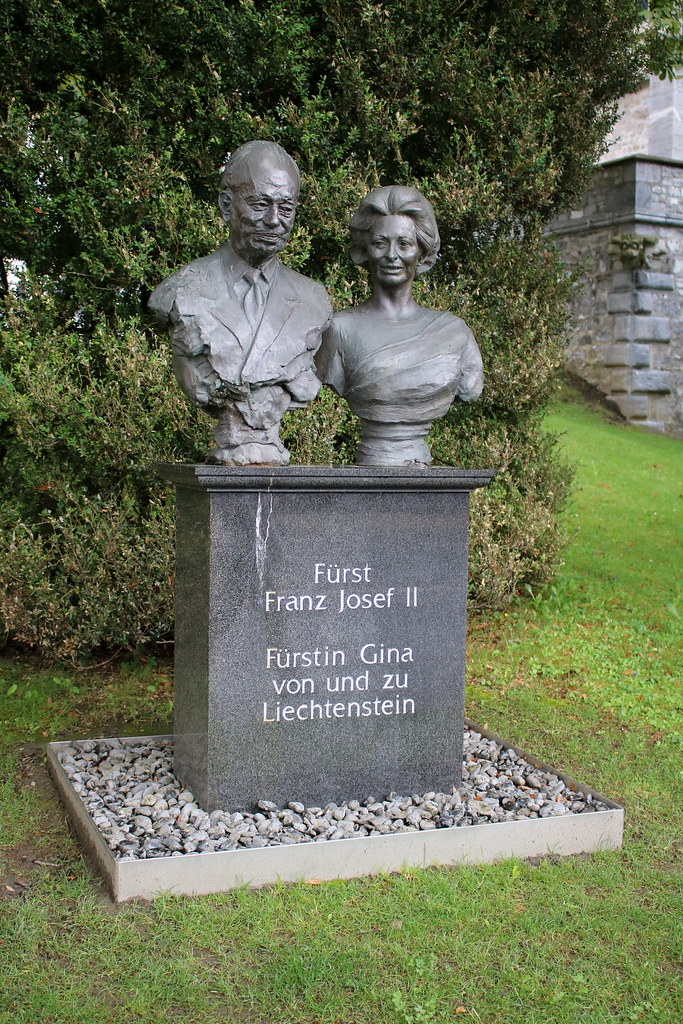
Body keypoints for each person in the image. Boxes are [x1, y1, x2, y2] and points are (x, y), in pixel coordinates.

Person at [149, 140, 332, 465]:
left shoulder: (314, 300)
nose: (275, 220)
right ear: (226, 205)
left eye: (286, 208)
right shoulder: (181, 292)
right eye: (260, 204)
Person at [316, 185, 483, 465]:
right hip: (373, 455)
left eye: (404, 244)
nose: (392, 255)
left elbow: (469, 388)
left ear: (421, 251)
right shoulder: (340, 329)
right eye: (381, 243)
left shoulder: (455, 333)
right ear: (365, 250)